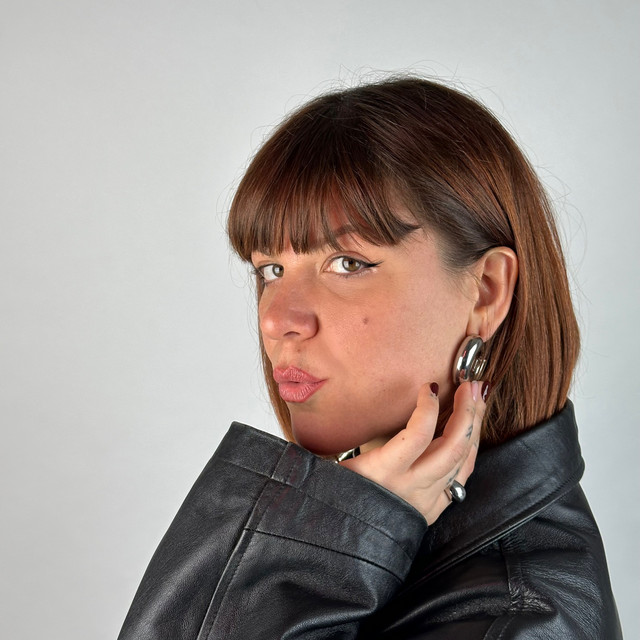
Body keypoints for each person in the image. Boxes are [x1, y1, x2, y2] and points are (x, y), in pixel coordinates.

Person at [117, 77, 622, 639]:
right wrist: (341, 530)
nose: (276, 319)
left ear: (486, 291)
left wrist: (320, 540)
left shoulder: (512, 624)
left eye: (348, 263)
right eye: (270, 270)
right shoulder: (400, 548)